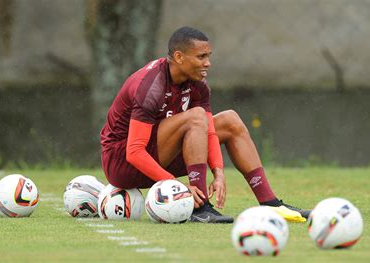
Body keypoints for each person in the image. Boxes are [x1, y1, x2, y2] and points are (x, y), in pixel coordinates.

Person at [100, 26, 310, 224]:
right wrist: (177, 186)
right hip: (122, 164)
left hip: (159, 155)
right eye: (201, 57)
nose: (208, 63)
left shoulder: (198, 84)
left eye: (208, 56)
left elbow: (209, 132)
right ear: (179, 57)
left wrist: (218, 172)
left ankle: (269, 203)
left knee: (230, 120)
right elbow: (134, 151)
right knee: (196, 116)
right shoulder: (151, 86)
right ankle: (199, 209)